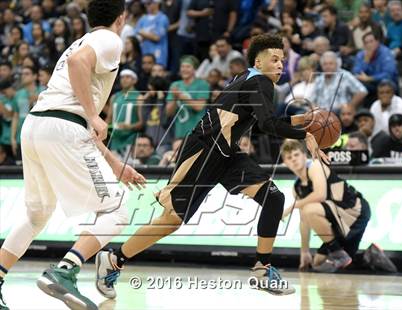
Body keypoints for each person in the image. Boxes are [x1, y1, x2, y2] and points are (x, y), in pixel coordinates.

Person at [95, 33, 329, 297]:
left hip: (226, 152)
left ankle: (262, 269)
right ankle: (114, 260)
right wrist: (305, 134)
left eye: (282, 61)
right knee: (171, 221)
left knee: (273, 198)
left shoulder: (248, 78)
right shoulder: (260, 82)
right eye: (274, 59)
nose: (280, 65)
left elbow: (264, 122)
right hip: (204, 150)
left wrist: (303, 120)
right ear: (258, 62)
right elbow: (267, 125)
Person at [0, 2, 146, 309]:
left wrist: (113, 162)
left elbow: (74, 115)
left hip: (37, 124)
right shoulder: (109, 38)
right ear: (121, 18)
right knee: (117, 209)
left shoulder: (80, 41)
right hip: (64, 128)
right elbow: (78, 67)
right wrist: (94, 115)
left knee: (36, 215)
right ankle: (64, 270)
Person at [281, 139, 371, 273]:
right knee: (318, 262)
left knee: (309, 209)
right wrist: (304, 251)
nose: (294, 159)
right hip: (338, 218)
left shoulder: (314, 166)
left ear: (305, 156)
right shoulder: (297, 187)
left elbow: (320, 195)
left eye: (296, 155)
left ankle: (341, 254)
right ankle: (367, 257)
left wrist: (291, 207)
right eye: (289, 157)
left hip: (354, 211)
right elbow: (304, 221)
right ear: (285, 163)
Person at [107, 69, 142, 156]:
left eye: (128, 77)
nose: (124, 79)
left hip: (131, 139)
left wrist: (129, 126)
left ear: (135, 80)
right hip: (115, 140)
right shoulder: (114, 97)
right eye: (122, 77)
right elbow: (109, 118)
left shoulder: (139, 97)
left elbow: (142, 123)